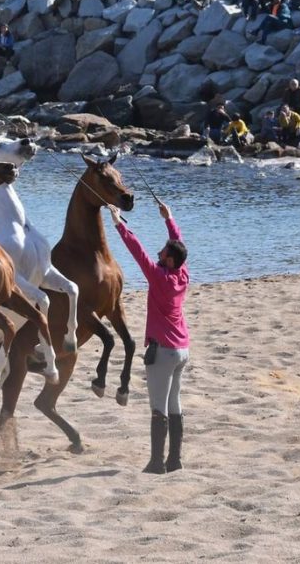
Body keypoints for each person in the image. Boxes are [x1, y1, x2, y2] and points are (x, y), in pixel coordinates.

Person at [109, 201, 190, 474]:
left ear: (168, 260)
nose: (159, 252)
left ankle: (157, 463)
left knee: (159, 408)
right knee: (174, 402)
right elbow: (179, 245)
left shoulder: (160, 278)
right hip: (182, 349)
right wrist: (169, 218)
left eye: (163, 252)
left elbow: (138, 252)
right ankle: (175, 460)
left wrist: (119, 223)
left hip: (163, 352)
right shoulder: (182, 273)